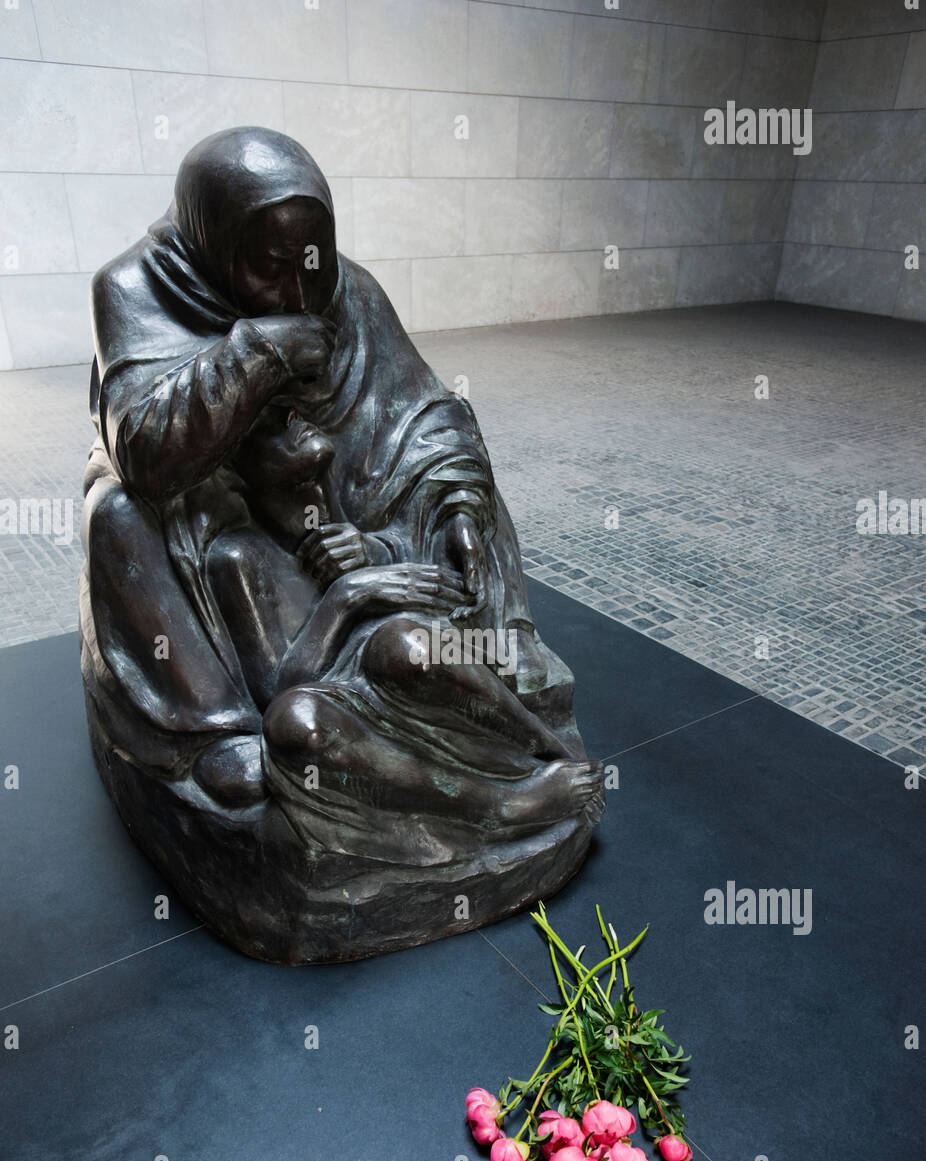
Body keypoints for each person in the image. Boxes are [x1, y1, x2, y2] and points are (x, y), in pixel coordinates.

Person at [80, 125, 601, 901]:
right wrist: (259, 352)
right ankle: (216, 728)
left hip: (333, 537)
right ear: (213, 246)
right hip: (197, 527)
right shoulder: (133, 288)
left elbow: (422, 415)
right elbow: (147, 451)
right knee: (115, 513)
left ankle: (507, 731)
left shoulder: (346, 289)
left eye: (311, 263)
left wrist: (453, 507)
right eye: (270, 268)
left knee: (456, 498)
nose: (298, 292)